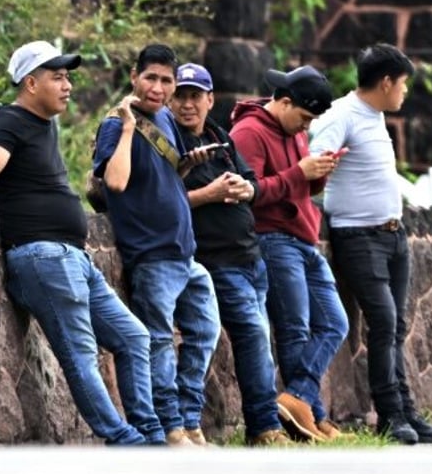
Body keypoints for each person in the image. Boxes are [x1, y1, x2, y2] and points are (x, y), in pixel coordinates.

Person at [0, 40, 165, 446]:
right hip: (43, 255)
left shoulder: (45, 124)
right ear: (31, 83)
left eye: (68, 77)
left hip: (74, 258)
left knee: (135, 337)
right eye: (57, 77)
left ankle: (150, 434)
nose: (67, 86)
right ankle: (125, 440)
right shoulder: (7, 122)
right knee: (80, 354)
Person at [310, 44, 432, 445]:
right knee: (384, 322)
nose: (404, 92)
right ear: (385, 82)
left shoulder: (376, 114)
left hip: (393, 234)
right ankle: (389, 415)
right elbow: (315, 162)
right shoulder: (340, 115)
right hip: (358, 235)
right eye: (402, 84)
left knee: (396, 325)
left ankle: (405, 411)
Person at [92, 44, 221, 446]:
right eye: (151, 78)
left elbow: (163, 175)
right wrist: (130, 128)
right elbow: (114, 182)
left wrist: (190, 162)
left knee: (205, 331)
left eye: (167, 80)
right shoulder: (116, 123)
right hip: (151, 253)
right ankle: (171, 428)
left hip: (184, 250)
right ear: (134, 76)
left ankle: (190, 418)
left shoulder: (165, 118)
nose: (159, 88)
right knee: (161, 343)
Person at [170, 63, 290, 447]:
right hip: (216, 261)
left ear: (209, 100)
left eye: (195, 97)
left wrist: (243, 187)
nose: (187, 105)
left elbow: (252, 181)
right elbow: (161, 202)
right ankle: (264, 427)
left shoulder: (220, 135)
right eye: (180, 96)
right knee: (253, 335)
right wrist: (210, 194)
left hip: (251, 258)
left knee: (262, 337)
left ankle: (263, 423)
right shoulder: (168, 144)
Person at [229, 65, 349, 443]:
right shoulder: (248, 132)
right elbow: (251, 193)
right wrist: (301, 172)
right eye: (305, 117)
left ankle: (301, 402)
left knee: (334, 322)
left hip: (304, 241)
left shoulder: (291, 130)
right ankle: (309, 417)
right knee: (294, 331)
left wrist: (320, 173)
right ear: (283, 102)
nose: (306, 127)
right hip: (273, 240)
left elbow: (298, 186)